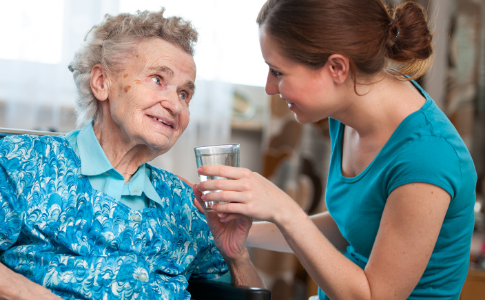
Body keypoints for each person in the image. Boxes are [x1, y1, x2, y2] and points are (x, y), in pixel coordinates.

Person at [0, 9, 263, 300]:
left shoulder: (184, 202)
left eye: (185, 94)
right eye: (158, 80)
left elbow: (244, 293)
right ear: (101, 83)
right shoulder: (31, 163)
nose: (175, 104)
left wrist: (237, 256)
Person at [192, 0, 477, 299]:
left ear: (337, 68)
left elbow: (372, 296)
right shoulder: (348, 112)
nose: (269, 87)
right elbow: (353, 222)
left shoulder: (427, 157)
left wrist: (283, 209)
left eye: (278, 72)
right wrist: (239, 231)